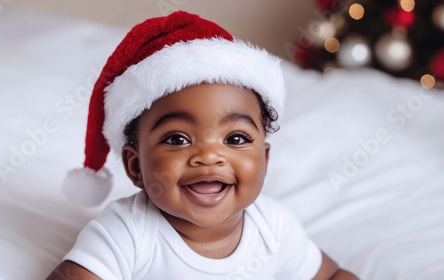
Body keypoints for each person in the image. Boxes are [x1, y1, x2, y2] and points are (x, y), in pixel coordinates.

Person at [47, 11, 358, 280]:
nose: (209, 155)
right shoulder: (128, 232)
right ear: (135, 166)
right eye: (177, 139)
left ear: (264, 157)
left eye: (236, 139)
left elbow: (331, 275)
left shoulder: (273, 227)